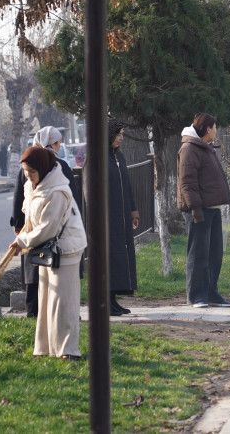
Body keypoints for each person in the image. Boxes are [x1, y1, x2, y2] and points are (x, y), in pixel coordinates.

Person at [9, 146, 86, 360]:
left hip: (67, 248)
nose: (28, 175)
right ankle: (45, 348)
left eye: (31, 172)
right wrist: (20, 239)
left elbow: (48, 228)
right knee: (46, 300)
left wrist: (22, 242)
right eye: (25, 171)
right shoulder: (32, 187)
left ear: (42, 169)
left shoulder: (58, 191)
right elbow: (31, 220)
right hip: (47, 247)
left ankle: (68, 350)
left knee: (63, 301)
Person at [11, 126, 80, 318]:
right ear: (52, 144)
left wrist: (18, 224)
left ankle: (34, 311)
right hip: (54, 226)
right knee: (52, 267)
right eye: (58, 143)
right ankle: (54, 311)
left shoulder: (27, 163)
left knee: (35, 266)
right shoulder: (60, 166)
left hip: (34, 225)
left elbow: (18, 197)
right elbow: (72, 199)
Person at [178, 113, 230, 308]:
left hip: (212, 208)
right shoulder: (189, 149)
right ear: (208, 128)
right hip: (198, 210)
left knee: (214, 254)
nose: (216, 131)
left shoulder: (205, 147)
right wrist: (195, 209)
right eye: (215, 127)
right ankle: (196, 296)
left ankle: (211, 293)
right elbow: (187, 182)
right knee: (198, 254)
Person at [97, 119, 140, 316]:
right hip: (106, 218)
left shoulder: (118, 156)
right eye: (118, 134)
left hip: (120, 217)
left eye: (122, 134)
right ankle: (106, 301)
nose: (120, 138)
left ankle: (114, 299)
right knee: (108, 259)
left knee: (119, 258)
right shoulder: (98, 157)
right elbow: (91, 190)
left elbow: (128, 186)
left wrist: (133, 210)